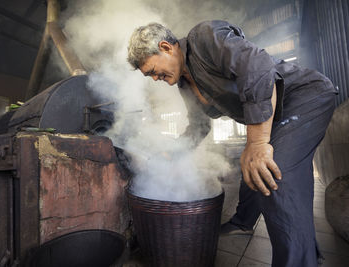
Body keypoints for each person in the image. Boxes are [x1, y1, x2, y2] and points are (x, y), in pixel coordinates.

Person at [127, 20, 337, 267]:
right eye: (149, 76)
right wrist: (172, 153)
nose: (154, 78)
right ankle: (248, 225)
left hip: (303, 96)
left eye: (152, 70)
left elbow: (258, 67)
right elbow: (198, 127)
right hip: (276, 116)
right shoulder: (185, 85)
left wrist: (258, 142)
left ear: (166, 47)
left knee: (271, 173)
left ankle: (299, 261)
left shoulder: (204, 39)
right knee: (251, 166)